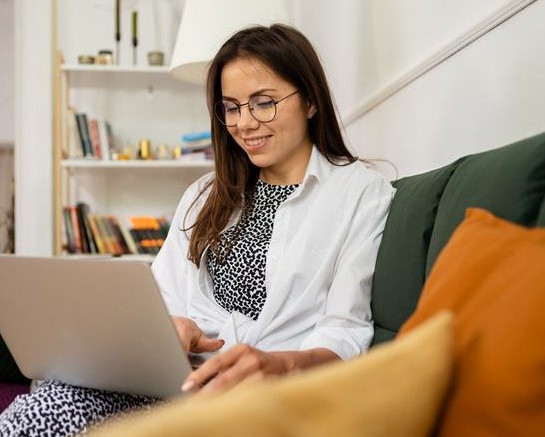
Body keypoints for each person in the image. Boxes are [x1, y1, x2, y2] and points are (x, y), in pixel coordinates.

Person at [0, 24, 394, 435]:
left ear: (310, 100)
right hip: (176, 384)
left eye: (263, 103)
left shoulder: (361, 193)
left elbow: (346, 331)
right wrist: (173, 327)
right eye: (232, 107)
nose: (245, 124)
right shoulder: (205, 194)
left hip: (260, 400)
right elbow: (164, 295)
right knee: (53, 401)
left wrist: (279, 365)